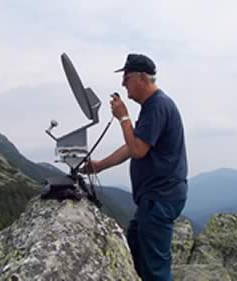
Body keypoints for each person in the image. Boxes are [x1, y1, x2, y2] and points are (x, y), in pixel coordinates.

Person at [82, 54, 188, 281]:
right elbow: (133, 146)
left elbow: (138, 150)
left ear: (142, 78)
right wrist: (100, 166)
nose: (123, 83)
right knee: (136, 254)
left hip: (159, 198)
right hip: (155, 198)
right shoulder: (155, 105)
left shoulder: (157, 106)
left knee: (155, 270)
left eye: (126, 77)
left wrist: (123, 118)